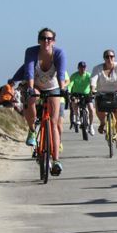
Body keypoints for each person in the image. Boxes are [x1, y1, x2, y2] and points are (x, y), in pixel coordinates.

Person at [22, 27, 68, 176]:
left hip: (53, 87)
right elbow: (29, 71)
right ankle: (31, 130)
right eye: (43, 38)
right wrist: (29, 87)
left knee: (54, 123)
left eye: (49, 38)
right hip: (35, 85)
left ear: (53, 41)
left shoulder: (59, 53)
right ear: (38, 40)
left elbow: (61, 74)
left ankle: (56, 160)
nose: (46, 41)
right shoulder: (31, 52)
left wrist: (62, 89)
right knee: (31, 97)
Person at [91, 50, 117, 148]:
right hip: (102, 93)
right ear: (104, 58)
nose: (109, 59)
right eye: (107, 57)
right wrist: (92, 88)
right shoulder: (97, 68)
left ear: (114, 57)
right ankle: (103, 122)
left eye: (111, 56)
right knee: (99, 107)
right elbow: (93, 80)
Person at [68, 61, 95, 136]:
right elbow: (70, 85)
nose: (82, 69)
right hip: (76, 94)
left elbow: (92, 83)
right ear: (78, 68)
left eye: (84, 67)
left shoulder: (88, 75)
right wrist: (69, 91)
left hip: (86, 94)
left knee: (91, 109)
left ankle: (91, 125)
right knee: (74, 102)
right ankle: (77, 117)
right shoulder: (74, 75)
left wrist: (93, 90)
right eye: (81, 67)